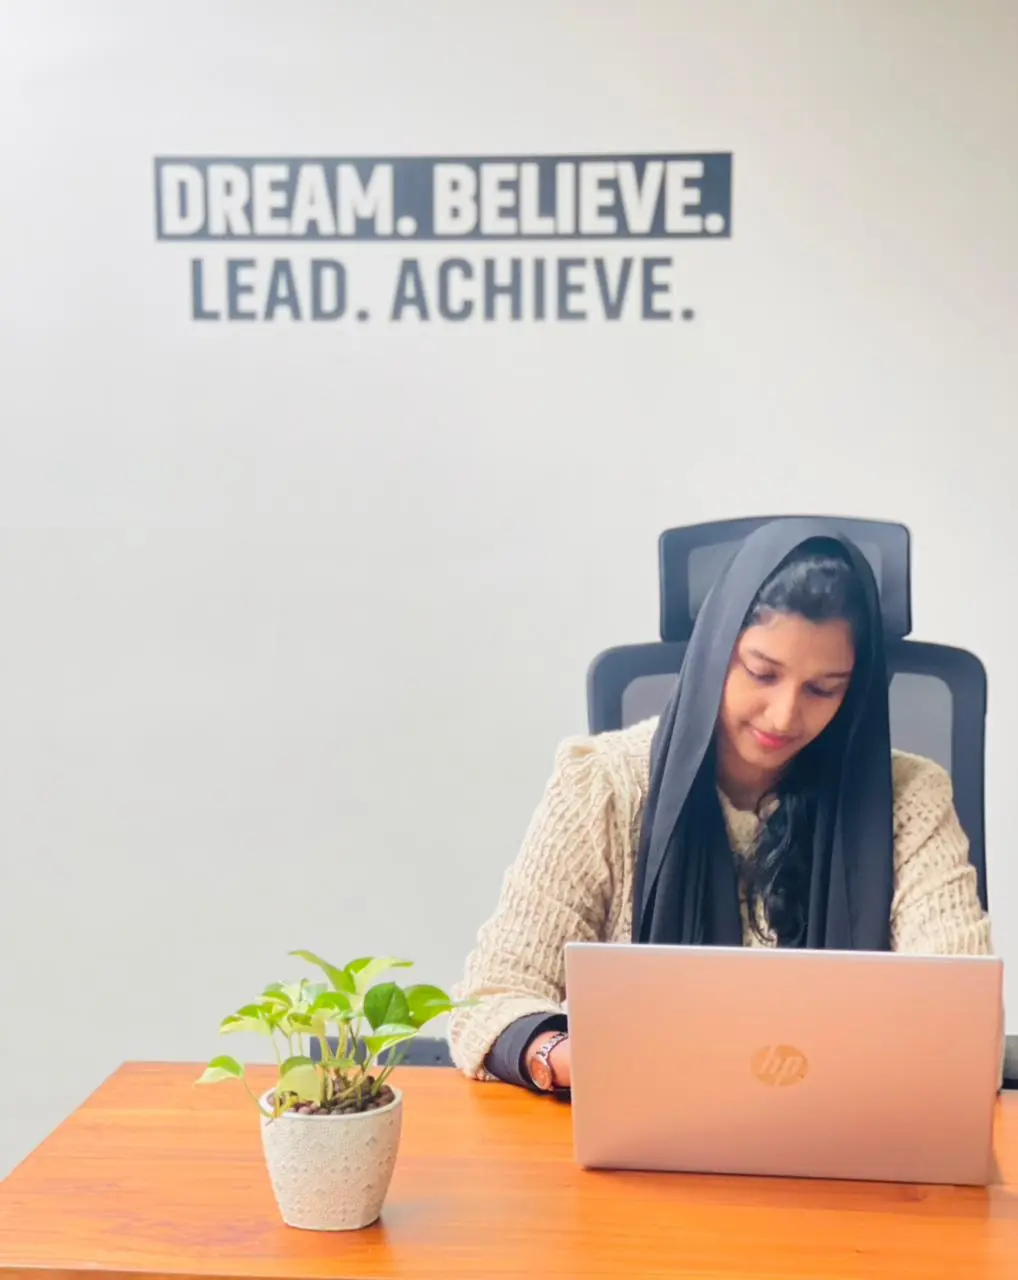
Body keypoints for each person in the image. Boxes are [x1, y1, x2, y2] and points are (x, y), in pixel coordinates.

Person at [447, 519, 994, 1094]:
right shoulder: (603, 785)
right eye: (762, 673)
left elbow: (961, 1018)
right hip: (652, 1118)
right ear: (715, 653)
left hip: (846, 1122)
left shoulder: (911, 799)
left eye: (823, 689)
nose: (784, 715)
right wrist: (562, 1056)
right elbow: (492, 997)